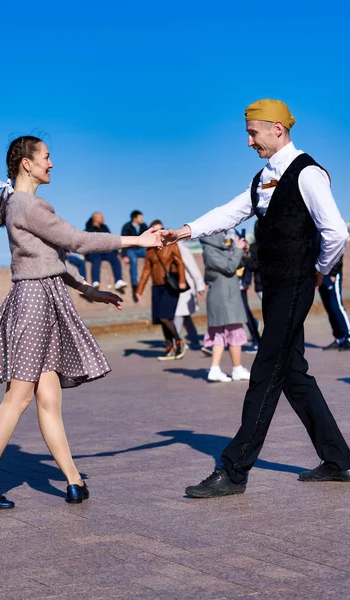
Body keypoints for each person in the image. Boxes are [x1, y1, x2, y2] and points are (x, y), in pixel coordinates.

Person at [162, 99, 350, 497]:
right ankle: (338, 460)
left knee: (266, 370)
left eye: (253, 133)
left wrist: (318, 271)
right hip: (276, 287)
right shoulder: (263, 177)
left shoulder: (308, 173)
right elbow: (230, 212)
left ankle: (234, 470)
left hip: (297, 282)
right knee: (293, 374)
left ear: (277, 129)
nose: (249, 141)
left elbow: (336, 232)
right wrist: (186, 229)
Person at [0, 136, 162, 509]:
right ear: (27, 163)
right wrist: (137, 240)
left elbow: (50, 261)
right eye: (47, 157)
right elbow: (77, 240)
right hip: (35, 303)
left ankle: (73, 481)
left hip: (45, 299)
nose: (51, 163)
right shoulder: (25, 204)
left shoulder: (19, 204)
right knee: (19, 396)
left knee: (49, 398)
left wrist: (90, 289)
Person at [201, 232, 251, 382]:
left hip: (225, 296)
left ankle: (215, 369)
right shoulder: (210, 251)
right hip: (224, 298)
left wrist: (243, 251)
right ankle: (237, 368)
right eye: (220, 231)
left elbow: (237, 264)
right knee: (234, 332)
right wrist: (237, 249)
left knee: (221, 335)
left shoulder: (218, 249)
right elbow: (230, 267)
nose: (224, 234)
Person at [136, 220, 188, 360]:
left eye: (161, 230)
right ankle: (169, 346)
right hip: (156, 286)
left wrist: (182, 280)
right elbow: (147, 270)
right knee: (161, 318)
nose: (158, 233)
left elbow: (180, 262)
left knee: (165, 316)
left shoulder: (171, 245)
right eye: (155, 231)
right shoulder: (150, 250)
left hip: (170, 286)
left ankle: (179, 341)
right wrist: (139, 290)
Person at [173, 240, 206, 349]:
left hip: (186, 287)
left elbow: (193, 267)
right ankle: (194, 340)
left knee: (179, 314)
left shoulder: (182, 248)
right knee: (184, 316)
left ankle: (175, 343)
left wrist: (200, 285)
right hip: (177, 288)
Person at [85, 212, 128, 292]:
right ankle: (95, 281)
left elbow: (111, 240)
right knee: (96, 259)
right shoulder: (88, 229)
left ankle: (118, 281)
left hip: (104, 252)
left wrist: (117, 253)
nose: (103, 219)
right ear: (95, 219)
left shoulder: (104, 228)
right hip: (93, 252)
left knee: (114, 258)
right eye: (101, 217)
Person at [319, 256, 350, 351]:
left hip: (332, 274)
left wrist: (334, 272)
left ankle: (348, 338)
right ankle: (339, 338)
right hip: (321, 274)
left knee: (336, 306)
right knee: (329, 307)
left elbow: (338, 251)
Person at [121, 210, 148, 300]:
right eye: (140, 217)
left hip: (141, 249)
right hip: (130, 249)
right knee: (133, 260)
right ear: (134, 218)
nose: (142, 219)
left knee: (150, 255)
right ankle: (135, 284)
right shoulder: (127, 226)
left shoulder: (144, 226)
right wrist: (124, 255)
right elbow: (123, 241)